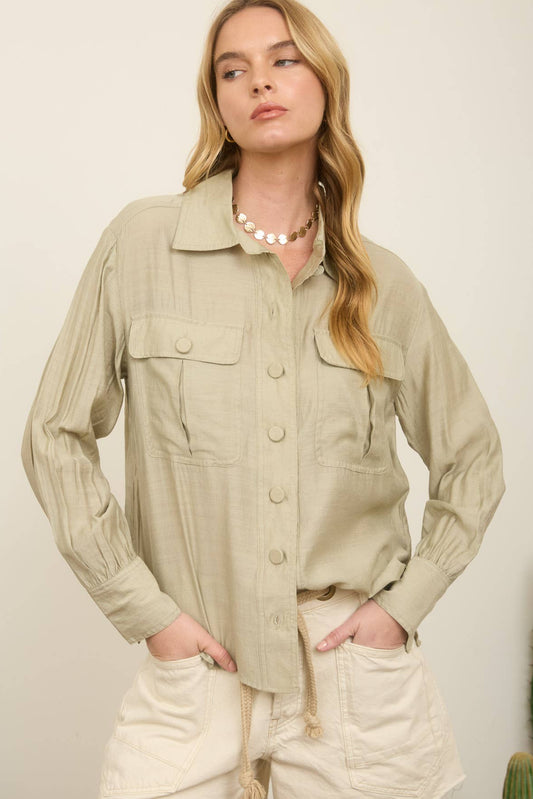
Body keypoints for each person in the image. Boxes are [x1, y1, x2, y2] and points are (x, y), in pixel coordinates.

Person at [20, 1, 505, 797]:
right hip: (198, 669)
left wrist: (403, 606)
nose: (258, 82)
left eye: (283, 60)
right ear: (216, 100)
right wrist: (147, 611)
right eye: (232, 69)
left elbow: (473, 457)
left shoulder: (383, 284)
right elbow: (53, 432)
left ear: (325, 81)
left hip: (352, 682)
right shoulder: (143, 244)